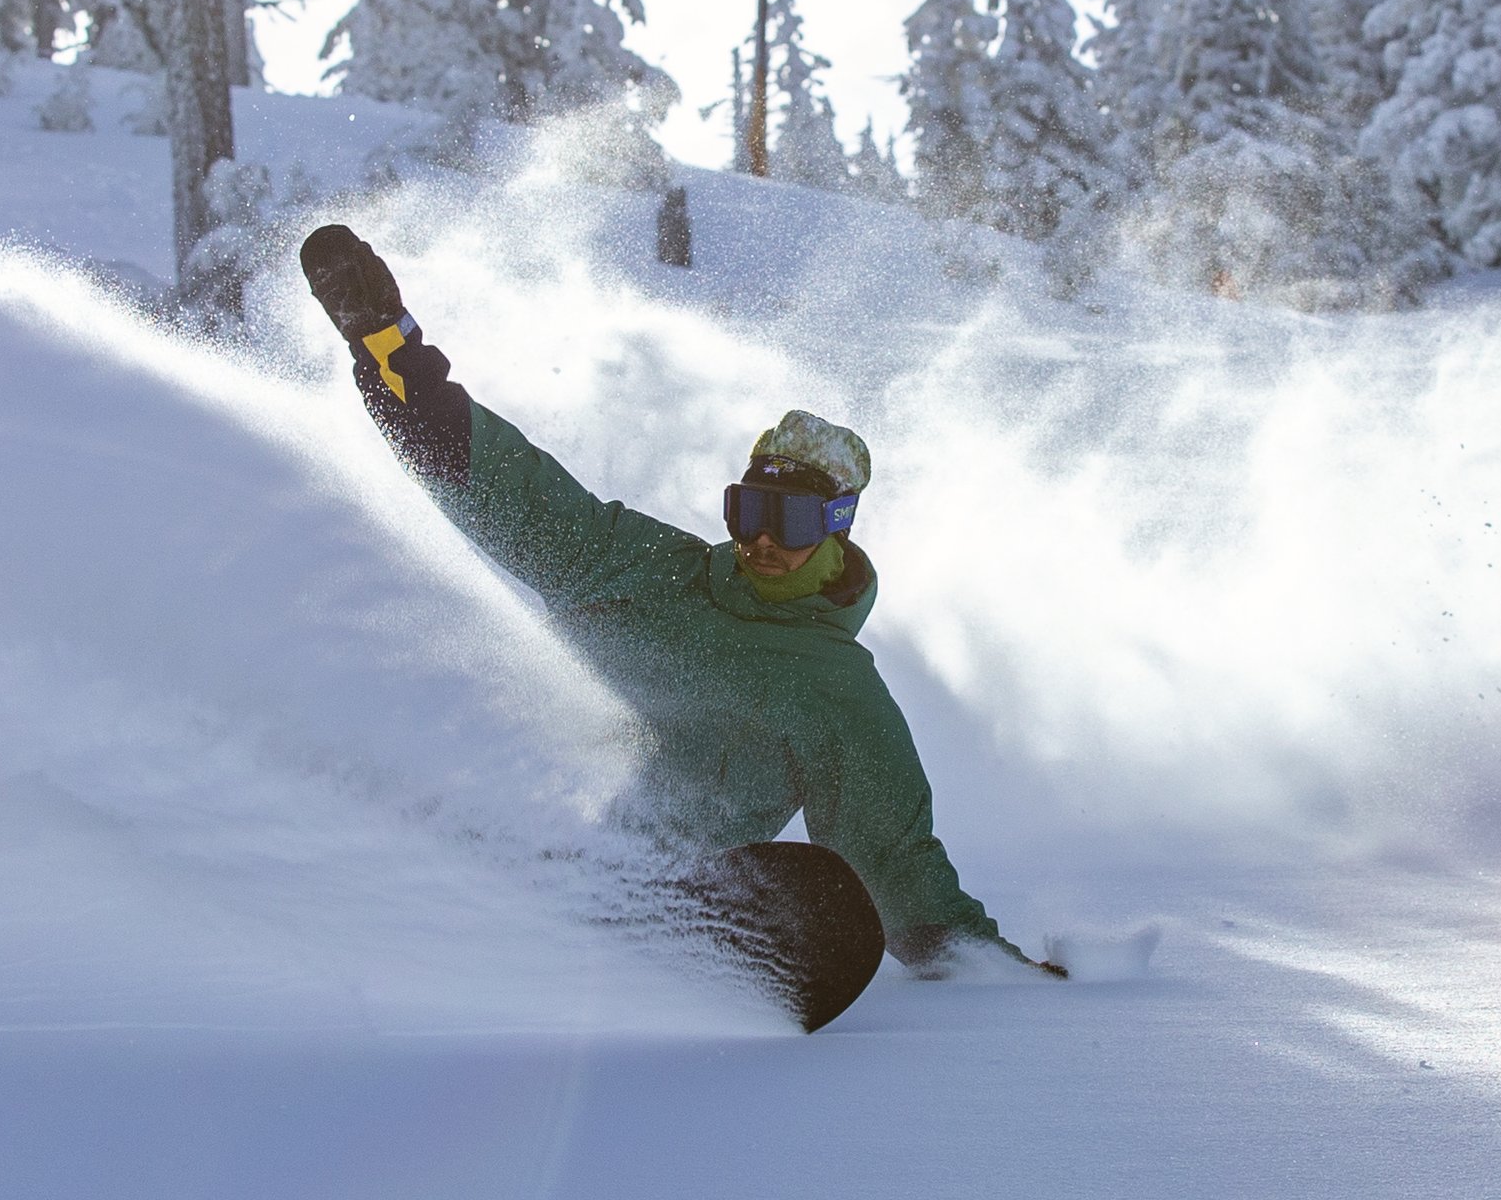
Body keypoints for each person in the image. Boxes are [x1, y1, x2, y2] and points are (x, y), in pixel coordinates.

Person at [298, 223, 1057, 978]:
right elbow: (515, 492)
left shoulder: (838, 694)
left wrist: (983, 965)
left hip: (658, 888)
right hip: (544, 844)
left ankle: (667, 912)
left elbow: (898, 858)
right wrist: (390, 354)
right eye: (748, 512)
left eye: (787, 522)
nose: (761, 540)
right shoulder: (655, 570)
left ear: (834, 530)